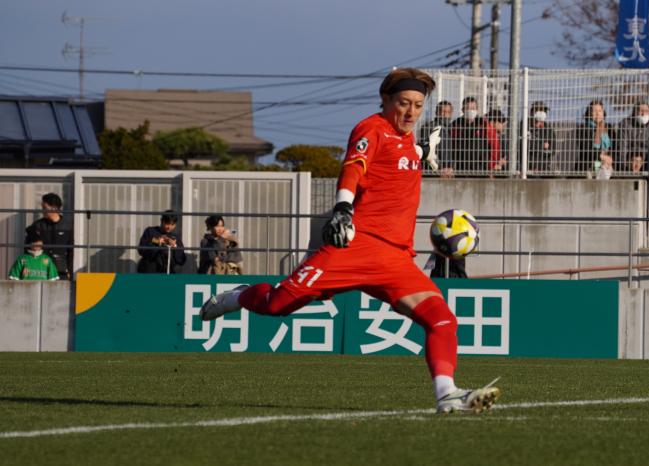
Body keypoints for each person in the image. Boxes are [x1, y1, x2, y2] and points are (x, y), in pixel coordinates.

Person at [199, 68, 501, 414]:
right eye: (404, 103)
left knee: (442, 319)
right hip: (354, 247)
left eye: (418, 105)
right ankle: (237, 297)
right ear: (385, 100)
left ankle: (447, 394)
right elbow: (354, 168)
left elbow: (396, 166)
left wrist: (421, 153)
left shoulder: (408, 140)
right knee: (277, 305)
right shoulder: (371, 128)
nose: (411, 112)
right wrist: (343, 208)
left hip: (394, 259)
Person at [25, 193, 73, 280]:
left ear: (54, 208)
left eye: (45, 208)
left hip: (61, 271)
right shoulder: (38, 225)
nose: (42, 210)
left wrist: (70, 270)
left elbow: (71, 250)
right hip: (41, 270)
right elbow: (27, 247)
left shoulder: (67, 226)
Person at [448, 96, 501, 176]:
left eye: (473, 108)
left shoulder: (483, 124)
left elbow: (495, 144)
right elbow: (451, 145)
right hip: (461, 168)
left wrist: (491, 165)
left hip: (481, 168)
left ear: (477, 110)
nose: (470, 111)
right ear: (462, 110)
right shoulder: (456, 125)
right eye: (468, 108)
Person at [576, 100, 617, 179]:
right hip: (590, 163)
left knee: (606, 168)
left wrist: (610, 158)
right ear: (589, 113)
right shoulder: (583, 128)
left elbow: (615, 147)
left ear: (603, 113)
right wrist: (601, 156)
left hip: (607, 163)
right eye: (594, 111)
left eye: (600, 111)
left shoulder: (609, 128)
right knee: (601, 171)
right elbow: (585, 149)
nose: (597, 113)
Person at [419, 101, 455, 178]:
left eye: (448, 112)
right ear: (437, 112)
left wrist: (452, 168)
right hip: (434, 171)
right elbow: (427, 151)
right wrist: (440, 168)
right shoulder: (429, 128)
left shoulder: (453, 128)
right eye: (443, 112)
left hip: (450, 171)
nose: (445, 115)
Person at [618, 102, 649, 174]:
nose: (643, 114)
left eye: (646, 111)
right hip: (629, 159)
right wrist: (625, 166)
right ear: (635, 112)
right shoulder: (626, 123)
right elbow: (623, 146)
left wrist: (646, 164)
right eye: (641, 110)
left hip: (647, 161)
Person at [523, 101, 556, 174]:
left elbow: (552, 150)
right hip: (527, 168)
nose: (542, 113)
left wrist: (535, 148)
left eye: (544, 111)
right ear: (532, 112)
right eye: (539, 110)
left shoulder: (549, 130)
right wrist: (542, 146)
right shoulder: (524, 126)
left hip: (544, 168)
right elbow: (524, 146)